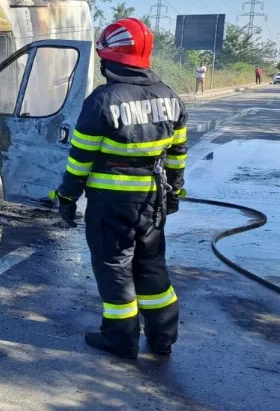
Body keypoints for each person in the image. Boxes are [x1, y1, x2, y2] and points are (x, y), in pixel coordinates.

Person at [51, 18, 186, 359]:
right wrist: (173, 194)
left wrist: (66, 198)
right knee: (152, 265)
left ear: (108, 58)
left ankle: (121, 339)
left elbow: (80, 159)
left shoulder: (103, 100)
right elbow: (177, 154)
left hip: (111, 203)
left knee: (114, 267)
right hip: (152, 202)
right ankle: (163, 338)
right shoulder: (170, 97)